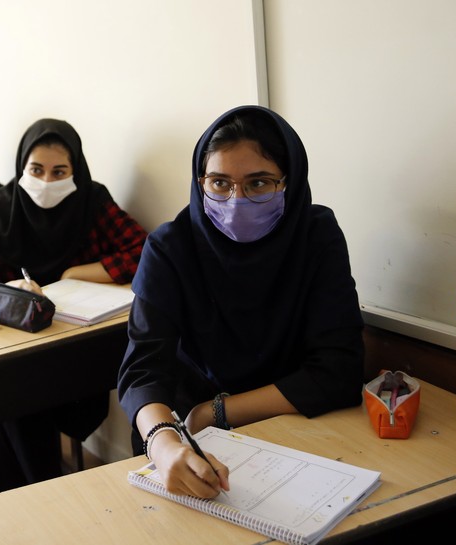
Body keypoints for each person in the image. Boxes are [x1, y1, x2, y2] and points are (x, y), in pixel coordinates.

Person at [117, 105, 364, 500]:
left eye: (259, 183)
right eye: (219, 183)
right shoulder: (170, 248)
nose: (236, 202)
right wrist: (164, 445)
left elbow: (339, 368)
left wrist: (216, 411)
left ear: (290, 181)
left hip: (295, 424)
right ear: (201, 182)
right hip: (186, 435)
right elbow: (143, 372)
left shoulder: (316, 237)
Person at [0, 118, 148, 492]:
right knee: (16, 394)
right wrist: (13, 288)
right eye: (36, 170)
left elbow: (145, 249)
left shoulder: (92, 201)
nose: (47, 181)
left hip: (78, 341)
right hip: (17, 348)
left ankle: (34, 493)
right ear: (21, 168)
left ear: (75, 169)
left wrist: (78, 272)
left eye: (59, 171)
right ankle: (43, 492)